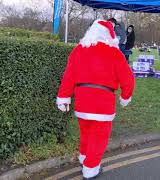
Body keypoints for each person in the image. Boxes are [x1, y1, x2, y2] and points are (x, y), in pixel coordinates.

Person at [56, 20, 135, 179]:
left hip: (82, 101)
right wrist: (125, 97)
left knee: (85, 133)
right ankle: (90, 168)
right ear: (109, 35)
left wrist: (64, 97)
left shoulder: (79, 50)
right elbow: (128, 79)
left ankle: (84, 158)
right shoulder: (114, 53)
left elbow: (69, 76)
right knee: (99, 137)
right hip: (103, 103)